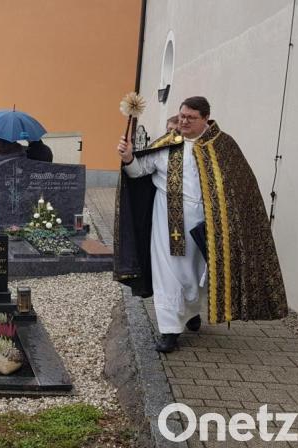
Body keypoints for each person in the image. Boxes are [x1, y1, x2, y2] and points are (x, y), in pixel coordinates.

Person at [113, 96, 287, 352]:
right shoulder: (167, 145)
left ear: (205, 118)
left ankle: (191, 311)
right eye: (181, 115)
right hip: (165, 222)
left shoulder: (223, 146)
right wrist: (129, 158)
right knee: (168, 275)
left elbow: (240, 188)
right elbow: (140, 171)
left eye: (190, 118)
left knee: (197, 275)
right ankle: (169, 331)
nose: (183, 121)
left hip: (205, 226)